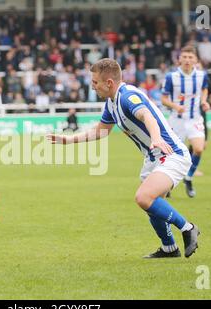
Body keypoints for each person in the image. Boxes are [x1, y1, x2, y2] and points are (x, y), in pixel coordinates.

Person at [47, 58, 200, 258]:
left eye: (95, 82)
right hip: (153, 157)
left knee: (144, 197)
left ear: (109, 83)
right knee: (153, 206)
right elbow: (100, 132)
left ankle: (188, 228)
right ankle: (169, 248)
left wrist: (155, 138)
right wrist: (68, 141)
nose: (92, 87)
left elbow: (148, 116)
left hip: (171, 153)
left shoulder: (128, 96)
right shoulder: (111, 103)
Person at [161, 46, 210, 198]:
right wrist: (175, 106)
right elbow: (163, 99)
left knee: (199, 149)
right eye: (185, 57)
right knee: (170, 154)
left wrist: (204, 101)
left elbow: (205, 89)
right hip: (176, 121)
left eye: (190, 57)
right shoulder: (171, 77)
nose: (188, 60)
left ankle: (188, 178)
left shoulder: (202, 76)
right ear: (179, 59)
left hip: (195, 118)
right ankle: (166, 184)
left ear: (195, 60)